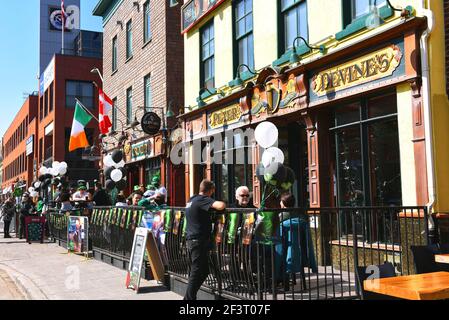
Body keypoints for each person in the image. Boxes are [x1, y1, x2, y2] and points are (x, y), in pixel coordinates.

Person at [184, 180, 226, 300]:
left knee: (204, 271)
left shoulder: (192, 199)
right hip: (198, 240)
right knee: (196, 271)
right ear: (211, 190)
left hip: (194, 239)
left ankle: (190, 297)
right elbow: (220, 206)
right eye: (213, 190)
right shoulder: (202, 199)